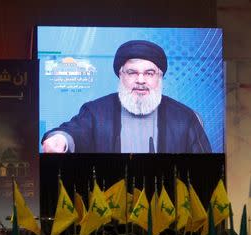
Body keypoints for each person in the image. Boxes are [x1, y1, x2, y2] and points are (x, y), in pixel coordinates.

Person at [41, 40, 212, 154]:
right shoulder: (96, 111)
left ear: (160, 77)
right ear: (120, 75)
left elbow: (206, 168)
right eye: (132, 73)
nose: (140, 80)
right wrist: (61, 139)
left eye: (149, 73)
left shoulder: (184, 117)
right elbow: (73, 132)